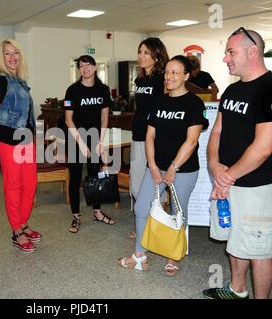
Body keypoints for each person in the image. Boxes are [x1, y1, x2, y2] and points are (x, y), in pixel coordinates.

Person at [203, 28, 272, 299]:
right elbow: (216, 132)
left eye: (231, 51)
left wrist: (225, 176)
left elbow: (263, 149)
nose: (225, 58)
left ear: (253, 51)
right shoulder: (231, 89)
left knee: (258, 248)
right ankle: (236, 289)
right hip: (226, 180)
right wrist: (214, 165)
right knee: (234, 239)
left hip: (254, 185)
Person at [117, 55, 209, 276]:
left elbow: (192, 141)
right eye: (167, 72)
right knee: (141, 208)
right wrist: (153, 165)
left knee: (178, 212)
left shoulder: (194, 103)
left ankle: (173, 257)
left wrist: (173, 168)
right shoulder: (160, 102)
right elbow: (150, 136)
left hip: (183, 170)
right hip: (156, 167)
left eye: (175, 72)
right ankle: (139, 256)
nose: (169, 76)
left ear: (186, 76)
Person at [0, 38, 41, 253]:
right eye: (7, 54)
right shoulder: (0, 81)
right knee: (13, 186)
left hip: (26, 140)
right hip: (8, 141)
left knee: (30, 184)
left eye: (15, 53)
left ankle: (23, 223)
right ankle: (16, 230)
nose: (12, 57)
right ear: (2, 58)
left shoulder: (19, 80)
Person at [64, 55, 115, 233]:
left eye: (88, 65)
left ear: (94, 67)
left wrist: (100, 141)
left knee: (95, 177)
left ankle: (97, 212)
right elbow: (69, 120)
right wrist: (81, 144)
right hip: (75, 138)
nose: (84, 69)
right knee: (75, 177)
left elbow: (104, 117)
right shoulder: (72, 90)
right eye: (81, 66)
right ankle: (76, 216)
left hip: (95, 139)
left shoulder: (103, 89)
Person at [129, 37, 169, 239]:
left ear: (157, 55)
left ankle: (156, 225)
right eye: (140, 52)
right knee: (136, 184)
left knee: (156, 184)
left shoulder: (163, 79)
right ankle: (144, 218)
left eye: (146, 52)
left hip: (155, 138)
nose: (141, 56)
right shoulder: (139, 80)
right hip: (138, 136)